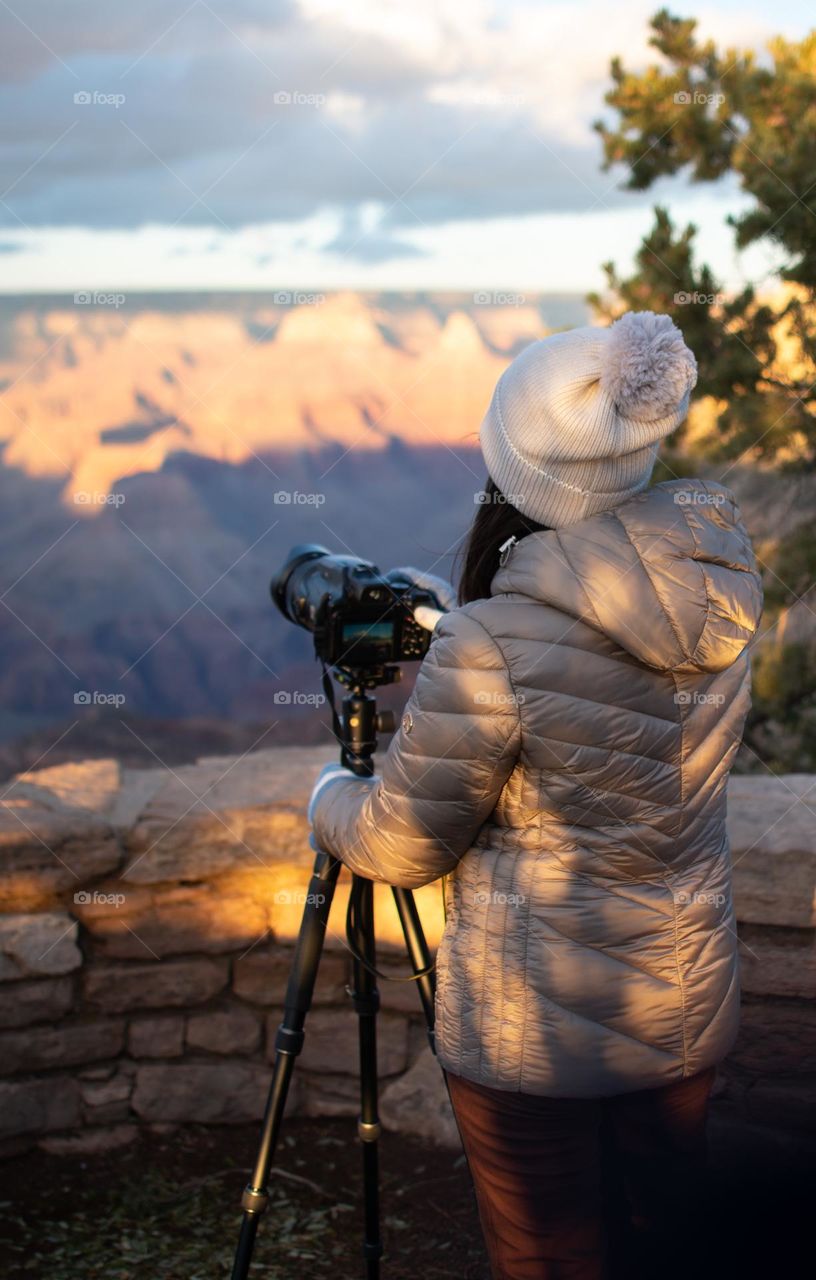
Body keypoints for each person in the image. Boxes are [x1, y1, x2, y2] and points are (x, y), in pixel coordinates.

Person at [308, 311, 763, 1279]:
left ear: (513, 468)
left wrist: (325, 795)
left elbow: (400, 843)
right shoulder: (718, 596)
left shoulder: (491, 640)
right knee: (671, 1244)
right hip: (682, 1001)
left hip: (534, 1034)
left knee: (550, 1256)